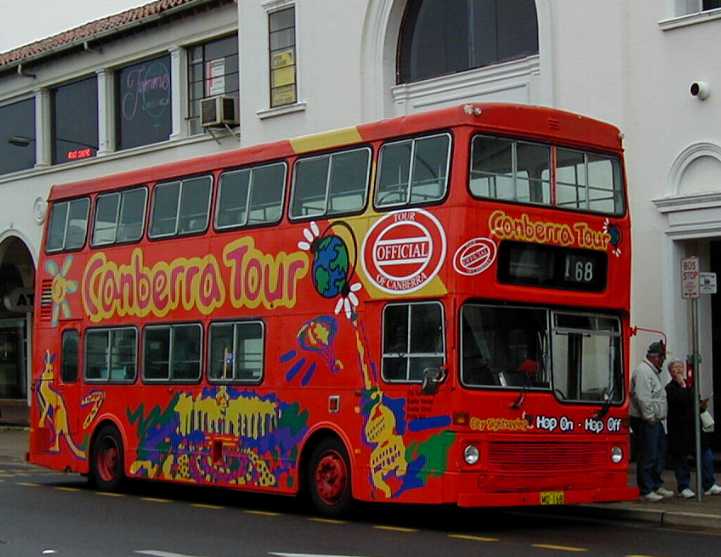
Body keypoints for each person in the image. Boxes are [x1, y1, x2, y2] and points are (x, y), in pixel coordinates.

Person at [665, 359, 721, 498]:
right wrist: (683, 385)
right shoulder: (670, 388)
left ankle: (709, 484)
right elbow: (681, 400)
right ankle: (684, 486)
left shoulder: (691, 384)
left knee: (705, 454)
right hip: (679, 429)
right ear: (670, 372)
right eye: (675, 368)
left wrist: (701, 404)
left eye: (680, 367)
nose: (679, 370)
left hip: (694, 427)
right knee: (681, 458)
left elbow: (695, 399)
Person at [631, 341, 673, 501]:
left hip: (654, 420)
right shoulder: (643, 372)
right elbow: (643, 398)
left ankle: (655, 484)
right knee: (649, 454)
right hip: (647, 420)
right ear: (656, 357)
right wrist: (649, 418)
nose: (663, 360)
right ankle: (646, 489)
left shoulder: (651, 371)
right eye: (662, 357)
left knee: (659, 452)